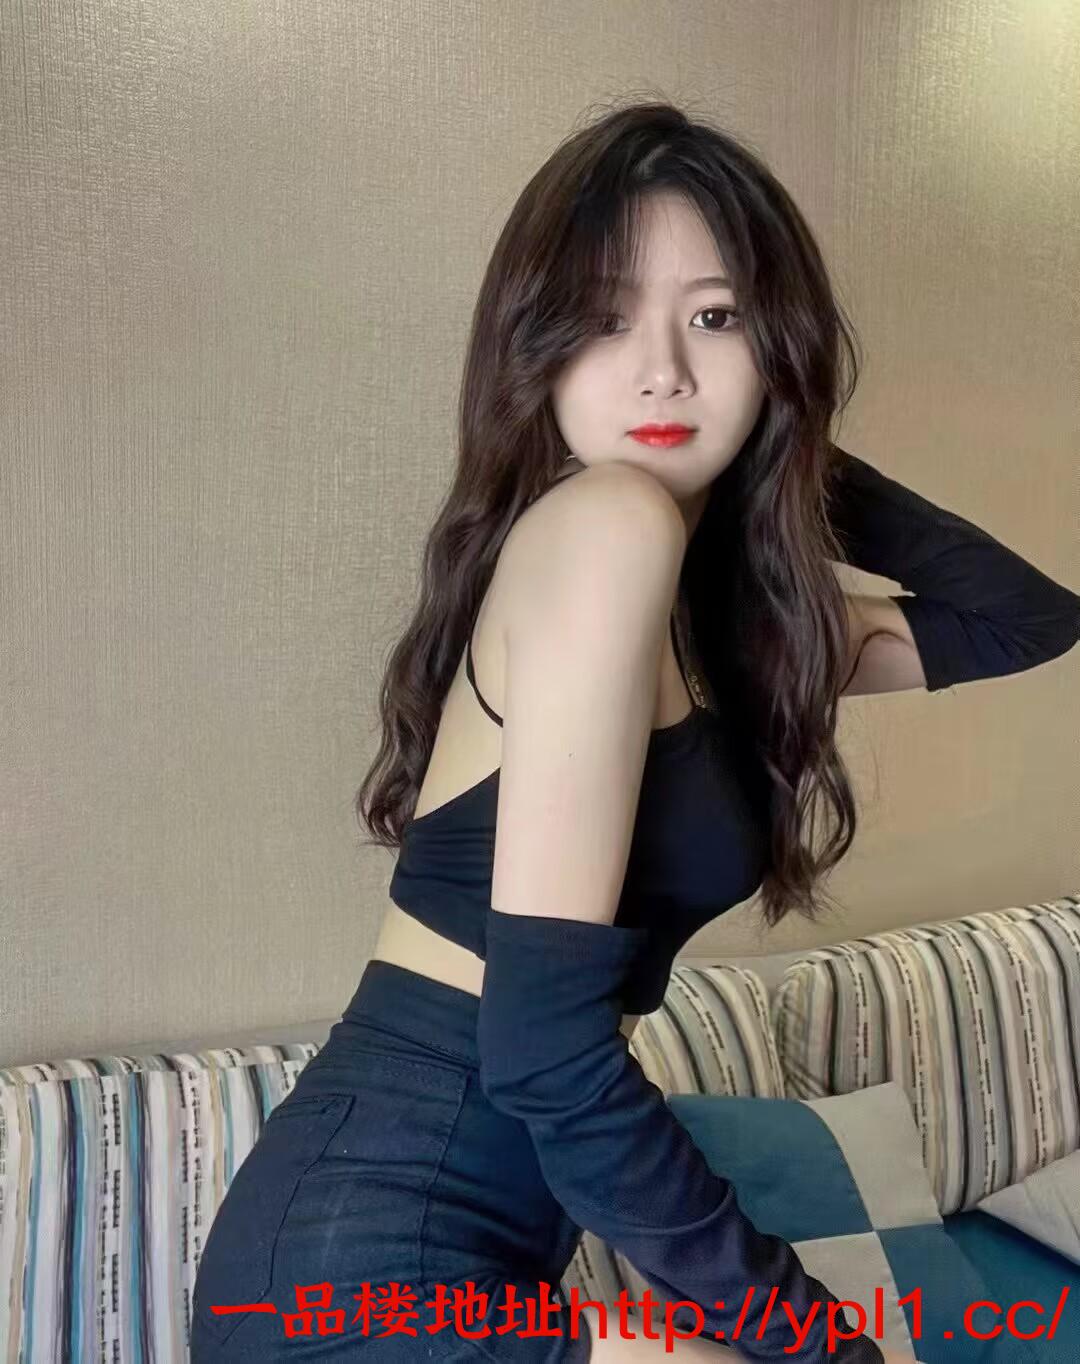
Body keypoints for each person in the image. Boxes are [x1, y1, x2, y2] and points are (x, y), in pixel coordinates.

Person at [190, 101, 1079, 1362]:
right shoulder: (604, 527)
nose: (663, 368)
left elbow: (1027, 621)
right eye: (606, 318)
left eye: (717, 319)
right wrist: (818, 1338)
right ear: (537, 350)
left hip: (443, 1243)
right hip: (370, 1259)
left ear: (777, 347)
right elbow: (545, 1054)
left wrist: (779, 450)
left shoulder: (720, 617)